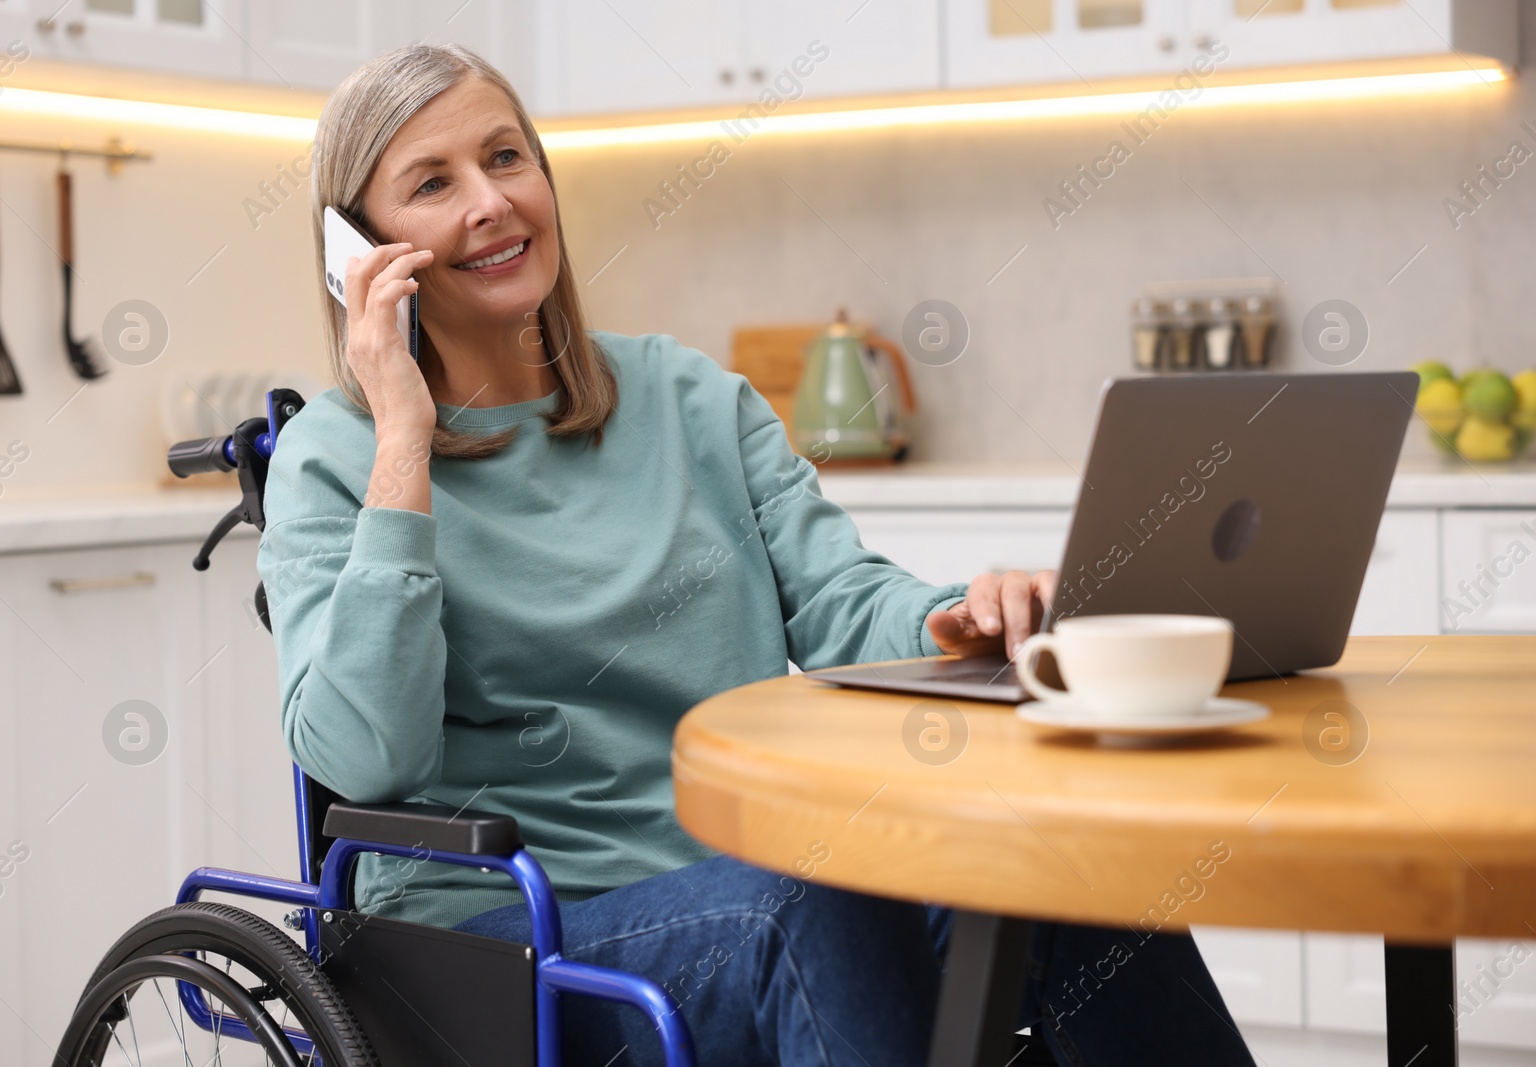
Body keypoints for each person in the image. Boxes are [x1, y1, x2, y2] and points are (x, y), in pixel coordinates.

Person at [259, 42, 1254, 1067]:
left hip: (760, 890)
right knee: (805, 896)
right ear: (358, 250)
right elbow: (367, 757)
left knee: (1059, 862)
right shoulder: (339, 456)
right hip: (496, 937)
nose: (492, 202)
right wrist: (403, 436)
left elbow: (841, 601)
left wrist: (958, 618)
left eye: (507, 158)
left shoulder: (691, 399)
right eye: (433, 182)